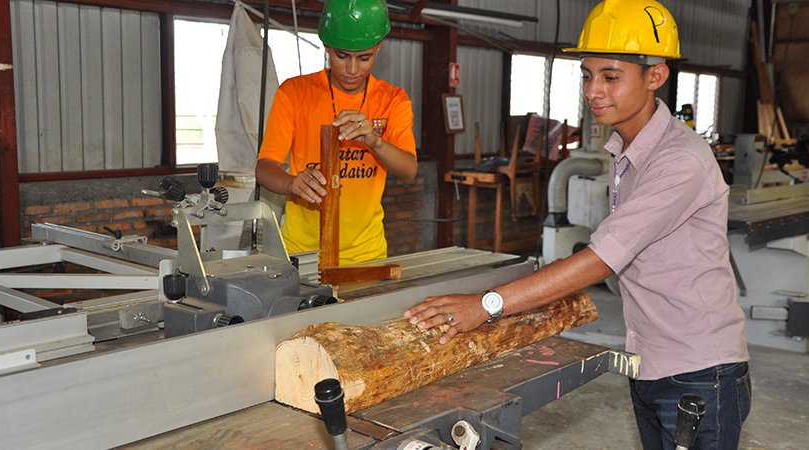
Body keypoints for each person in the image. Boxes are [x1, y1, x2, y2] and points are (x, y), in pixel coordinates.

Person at [404, 1, 751, 448]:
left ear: (655, 76)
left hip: (700, 373)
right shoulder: (627, 150)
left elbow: (602, 258)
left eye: (610, 76)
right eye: (587, 75)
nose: (593, 91)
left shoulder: (678, 160)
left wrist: (486, 304)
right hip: (653, 358)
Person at [256, 0, 417, 265]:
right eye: (342, 56)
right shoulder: (294, 93)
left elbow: (409, 169)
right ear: (327, 47)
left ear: (379, 47)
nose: (353, 70)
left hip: (367, 255)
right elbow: (264, 167)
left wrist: (376, 143)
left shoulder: (393, 100)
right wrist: (291, 183)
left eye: (364, 58)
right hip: (302, 253)